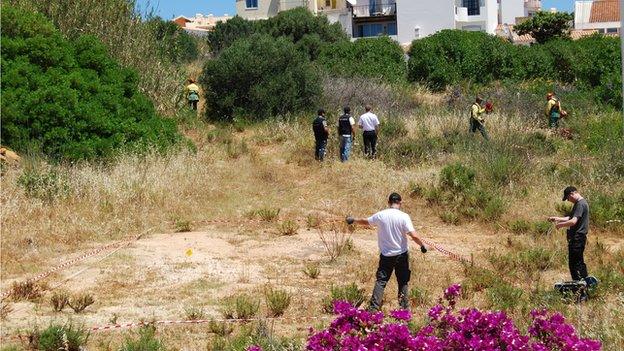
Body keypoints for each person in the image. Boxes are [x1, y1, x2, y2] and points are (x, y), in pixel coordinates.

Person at [346, 193, 427, 311]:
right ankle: (404, 310)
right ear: (400, 202)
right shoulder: (404, 216)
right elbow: (413, 235)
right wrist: (422, 245)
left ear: (388, 202)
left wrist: (353, 220)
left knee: (381, 281)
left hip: (386, 255)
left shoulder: (381, 215)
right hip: (401, 255)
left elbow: (366, 222)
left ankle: (373, 309)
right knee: (403, 281)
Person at [548, 186, 591, 290]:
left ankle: (579, 287)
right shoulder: (579, 203)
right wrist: (557, 219)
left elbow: (573, 222)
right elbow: (570, 218)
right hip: (578, 238)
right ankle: (585, 284)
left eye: (568, 198)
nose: (568, 200)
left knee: (574, 264)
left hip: (577, 238)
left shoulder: (580, 204)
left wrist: (560, 225)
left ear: (572, 194)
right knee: (579, 262)